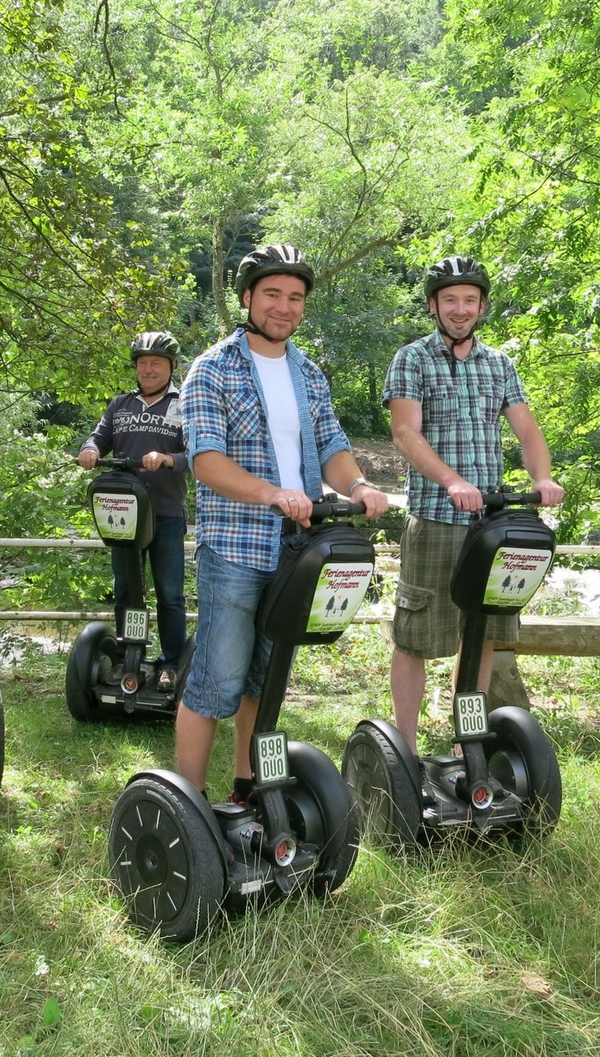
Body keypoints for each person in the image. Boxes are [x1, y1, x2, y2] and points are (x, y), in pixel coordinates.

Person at [176, 244, 390, 801]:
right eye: (273, 293)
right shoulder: (212, 367)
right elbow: (206, 460)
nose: (284, 306)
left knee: (266, 680)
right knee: (214, 683)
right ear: (247, 297)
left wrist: (360, 486)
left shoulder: (308, 372)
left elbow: (332, 447)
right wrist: (273, 493)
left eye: (295, 297)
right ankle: (188, 802)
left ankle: (248, 789)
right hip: (236, 548)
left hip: (297, 550)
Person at [384, 257, 564, 756]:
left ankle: (467, 742)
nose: (459, 310)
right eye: (450, 300)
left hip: (490, 523)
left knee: (482, 633)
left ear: (481, 306)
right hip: (437, 516)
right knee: (415, 635)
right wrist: (450, 480)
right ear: (434, 305)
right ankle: (405, 747)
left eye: (469, 300)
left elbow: (526, 430)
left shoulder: (499, 363)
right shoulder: (412, 359)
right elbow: (404, 432)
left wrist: (542, 478)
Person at [77, 331, 191, 692]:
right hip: (124, 513)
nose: (148, 369)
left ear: (171, 367)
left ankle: (170, 663)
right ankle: (131, 655)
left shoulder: (184, 405)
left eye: (156, 363)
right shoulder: (120, 405)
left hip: (167, 513)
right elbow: (98, 437)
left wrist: (168, 458)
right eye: (142, 363)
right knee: (127, 588)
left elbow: (199, 456)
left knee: (170, 593)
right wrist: (90, 449)